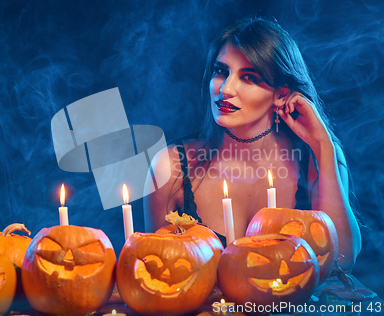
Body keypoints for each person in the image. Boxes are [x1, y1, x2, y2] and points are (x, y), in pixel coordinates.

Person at [143, 17, 361, 271]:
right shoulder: (169, 168)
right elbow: (157, 271)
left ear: (281, 94)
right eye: (221, 71)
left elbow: (342, 260)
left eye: (249, 77)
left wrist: (323, 144)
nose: (225, 88)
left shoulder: (316, 158)